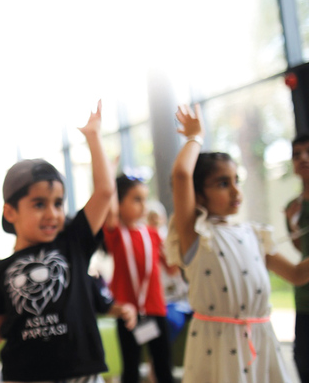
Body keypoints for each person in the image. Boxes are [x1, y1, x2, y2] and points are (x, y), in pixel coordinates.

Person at [0, 101, 114, 383]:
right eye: (39, 204)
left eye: (58, 203)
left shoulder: (73, 243)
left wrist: (93, 137)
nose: (52, 213)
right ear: (10, 212)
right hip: (24, 376)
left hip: (81, 375)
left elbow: (104, 191)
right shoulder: (0, 269)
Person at [167, 104, 309, 382]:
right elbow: (181, 175)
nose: (235, 191)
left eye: (236, 181)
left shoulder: (254, 234)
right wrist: (195, 137)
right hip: (217, 345)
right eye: (223, 184)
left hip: (260, 340)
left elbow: (296, 274)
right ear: (198, 194)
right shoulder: (196, 234)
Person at [103, 175, 173, 383]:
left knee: (163, 367)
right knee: (131, 368)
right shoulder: (115, 233)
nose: (144, 205)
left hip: (155, 308)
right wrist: (109, 179)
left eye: (145, 199)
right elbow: (109, 212)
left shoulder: (152, 234)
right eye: (136, 199)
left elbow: (172, 268)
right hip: (127, 311)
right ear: (119, 203)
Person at [287, 133, 309, 383]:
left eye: (308, 152)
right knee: (303, 360)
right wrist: (293, 226)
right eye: (296, 155)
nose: (303, 159)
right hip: (305, 296)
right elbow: (300, 248)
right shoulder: (293, 207)